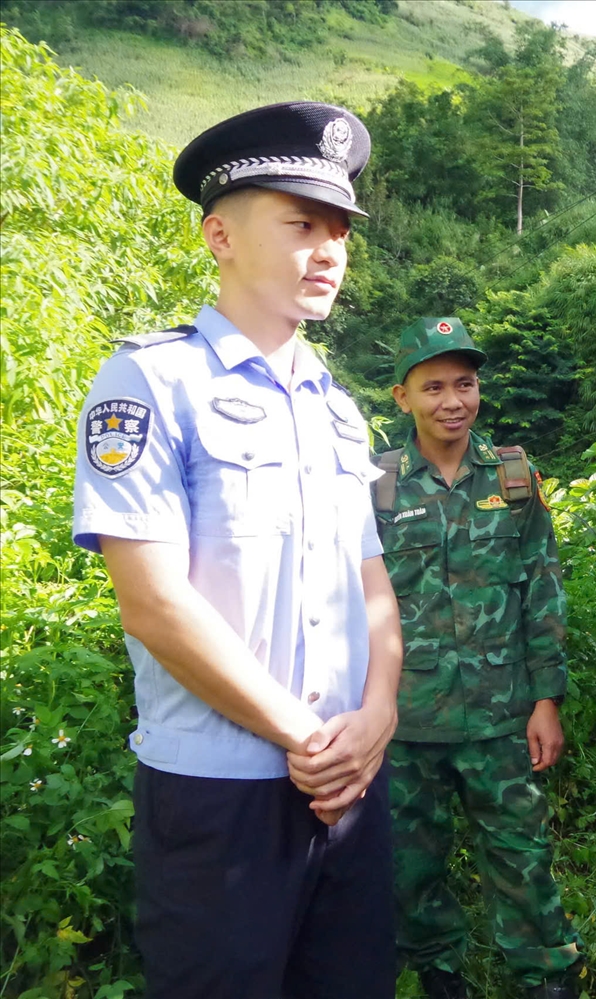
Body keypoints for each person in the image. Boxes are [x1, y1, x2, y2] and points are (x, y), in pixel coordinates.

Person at [71, 102, 400, 998]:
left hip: (350, 783)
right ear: (220, 234)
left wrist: (377, 718)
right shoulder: (150, 379)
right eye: (300, 223)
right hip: (219, 796)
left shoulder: (338, 407)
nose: (328, 248)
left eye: (339, 229)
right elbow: (155, 602)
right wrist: (308, 740)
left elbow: (373, 584)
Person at [373, 317, 582, 999]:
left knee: (522, 855)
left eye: (465, 383)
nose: (452, 400)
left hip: (501, 712)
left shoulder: (514, 475)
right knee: (411, 862)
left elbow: (543, 589)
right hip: (407, 719)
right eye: (433, 386)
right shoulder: (374, 485)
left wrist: (546, 697)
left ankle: (545, 972)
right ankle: (437, 968)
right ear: (402, 397)